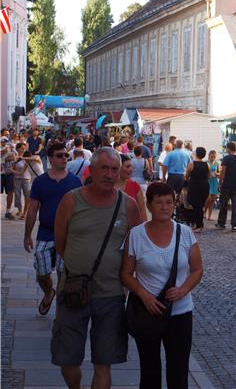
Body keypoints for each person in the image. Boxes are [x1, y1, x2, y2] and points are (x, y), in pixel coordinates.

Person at [52, 147, 140, 388]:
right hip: (73, 289)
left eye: (114, 169)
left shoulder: (129, 205)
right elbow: (60, 243)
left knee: (104, 361)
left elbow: (135, 249)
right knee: (67, 359)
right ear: (93, 169)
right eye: (104, 168)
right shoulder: (72, 199)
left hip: (111, 294)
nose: (110, 174)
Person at [121, 182, 203, 389]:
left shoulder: (184, 233)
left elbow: (197, 269)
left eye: (169, 202)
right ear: (149, 206)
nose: (165, 207)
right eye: (159, 203)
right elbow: (125, 273)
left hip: (180, 312)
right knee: (149, 371)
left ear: (174, 205)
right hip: (148, 311)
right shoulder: (136, 235)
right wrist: (143, 294)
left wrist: (183, 290)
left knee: (178, 372)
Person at [23, 142, 82, 315]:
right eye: (60, 155)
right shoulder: (41, 182)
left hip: (68, 235)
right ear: (50, 159)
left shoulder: (75, 181)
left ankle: (62, 309)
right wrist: (27, 235)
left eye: (66, 156)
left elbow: (80, 209)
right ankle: (49, 292)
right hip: (46, 232)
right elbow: (33, 208)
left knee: (64, 273)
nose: (64, 158)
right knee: (42, 273)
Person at [216, 142, 236, 231]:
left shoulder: (226, 159)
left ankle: (221, 223)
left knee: (223, 205)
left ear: (228, 148)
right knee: (235, 206)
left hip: (227, 185)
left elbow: (223, 172)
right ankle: (234, 224)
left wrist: (220, 183)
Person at [184, 147, 210, 232]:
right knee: (199, 205)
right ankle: (198, 224)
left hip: (195, 186)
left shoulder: (192, 164)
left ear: (196, 154)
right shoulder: (207, 164)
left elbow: (187, 176)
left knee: (196, 205)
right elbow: (208, 176)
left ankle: (199, 225)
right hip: (204, 186)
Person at [116, 154, 148, 224]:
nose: (131, 170)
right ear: (118, 167)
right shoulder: (108, 187)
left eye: (131, 167)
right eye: (127, 167)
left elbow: (142, 211)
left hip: (131, 230)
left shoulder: (135, 186)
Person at [1, 136, 16, 219]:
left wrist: (3, 160)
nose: (4, 143)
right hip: (1, 173)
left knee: (10, 192)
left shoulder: (11, 149)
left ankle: (8, 211)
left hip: (9, 173)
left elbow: (14, 158)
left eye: (6, 141)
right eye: (3, 141)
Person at [204, 150, 219, 221]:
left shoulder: (217, 163)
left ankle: (209, 216)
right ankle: (204, 212)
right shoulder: (206, 163)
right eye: (211, 156)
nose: (213, 158)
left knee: (213, 200)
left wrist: (217, 174)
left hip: (215, 181)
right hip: (208, 181)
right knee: (208, 199)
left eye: (214, 157)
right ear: (209, 156)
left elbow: (219, 173)